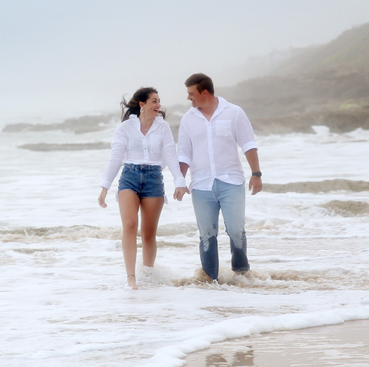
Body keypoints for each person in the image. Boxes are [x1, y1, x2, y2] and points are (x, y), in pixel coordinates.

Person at [99, 87, 189, 289]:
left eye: (159, 101)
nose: (158, 105)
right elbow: (115, 159)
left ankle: (148, 276)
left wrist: (180, 182)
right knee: (130, 225)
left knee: (148, 233)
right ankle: (131, 277)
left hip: (153, 179)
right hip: (129, 177)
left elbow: (171, 155)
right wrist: (105, 186)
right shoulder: (124, 128)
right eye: (154, 101)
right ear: (142, 104)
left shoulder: (163, 127)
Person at [177, 73, 262, 281]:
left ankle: (242, 274)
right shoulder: (188, 119)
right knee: (207, 234)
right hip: (201, 185)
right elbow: (184, 154)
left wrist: (256, 174)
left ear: (204, 92)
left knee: (236, 231)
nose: (188, 98)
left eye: (191, 93)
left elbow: (248, 144)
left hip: (231, 181)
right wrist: (180, 181)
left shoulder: (234, 112)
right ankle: (210, 280)